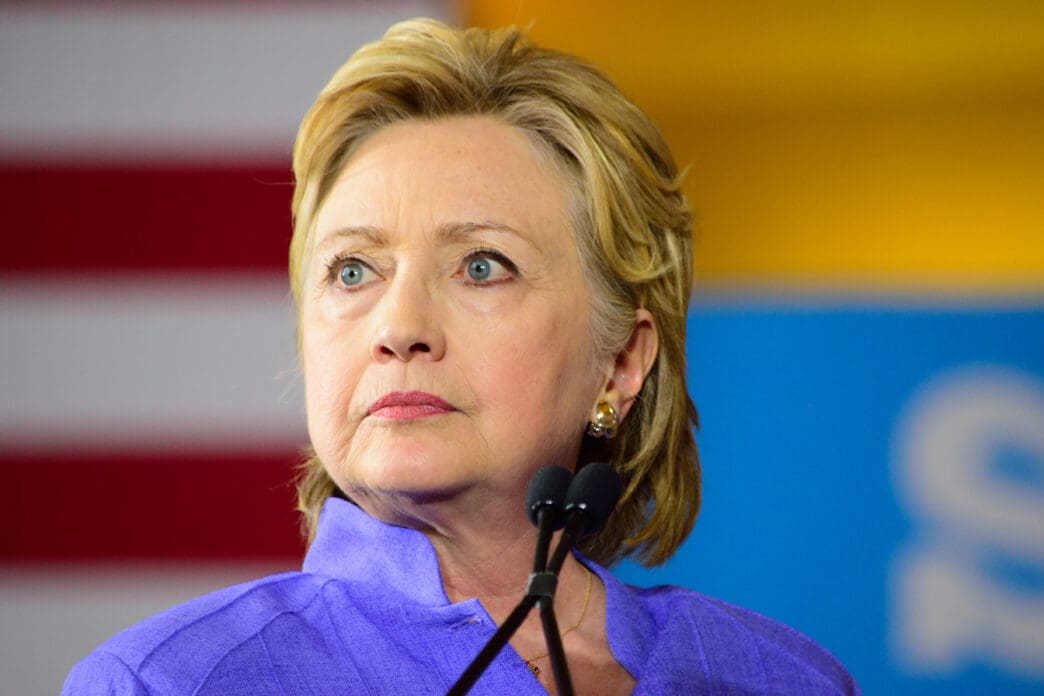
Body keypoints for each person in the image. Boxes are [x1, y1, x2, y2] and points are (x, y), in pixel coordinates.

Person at [62, 19, 858, 695]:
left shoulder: (779, 679)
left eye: (481, 266)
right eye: (353, 271)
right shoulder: (168, 683)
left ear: (620, 362)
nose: (399, 327)